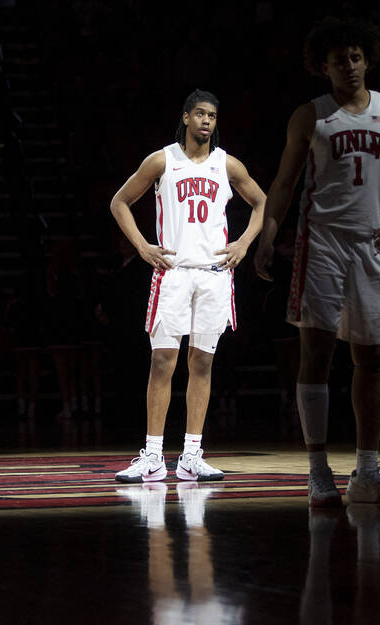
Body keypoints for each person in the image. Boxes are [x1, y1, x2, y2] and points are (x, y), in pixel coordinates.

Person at [255, 18, 380, 506]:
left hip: (372, 244)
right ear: (324, 67)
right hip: (321, 243)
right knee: (317, 353)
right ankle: (318, 471)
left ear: (368, 59)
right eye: (340, 59)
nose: (351, 65)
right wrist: (266, 236)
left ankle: (366, 472)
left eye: (357, 56)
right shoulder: (311, 115)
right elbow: (283, 184)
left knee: (373, 356)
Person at [110, 89, 266, 483]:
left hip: (214, 274)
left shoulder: (226, 164)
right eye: (199, 114)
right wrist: (143, 246)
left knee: (203, 363)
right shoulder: (163, 160)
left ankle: (192, 455)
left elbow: (263, 202)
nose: (206, 121)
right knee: (163, 361)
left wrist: (244, 244)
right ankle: (152, 455)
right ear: (185, 118)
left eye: (212, 116)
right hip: (174, 273)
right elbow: (119, 202)